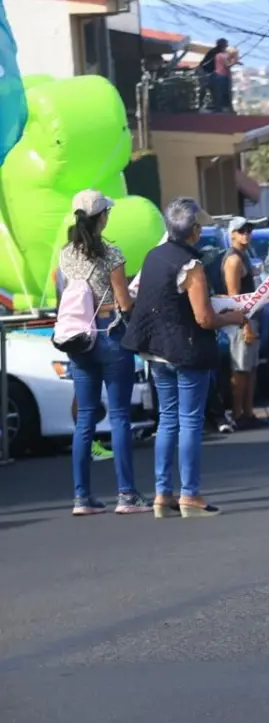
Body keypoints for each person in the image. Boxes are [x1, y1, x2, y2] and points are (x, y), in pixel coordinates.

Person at [123, 197, 248, 517]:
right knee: (190, 420)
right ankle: (190, 494)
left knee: (167, 419)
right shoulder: (191, 265)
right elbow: (204, 318)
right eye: (200, 226)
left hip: (158, 350)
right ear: (193, 230)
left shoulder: (154, 256)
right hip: (187, 348)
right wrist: (233, 317)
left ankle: (163, 494)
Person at [58, 190, 146, 516]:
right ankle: (127, 495)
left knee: (85, 420)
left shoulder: (66, 254)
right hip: (110, 335)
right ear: (103, 217)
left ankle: (82, 497)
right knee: (120, 416)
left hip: (79, 339)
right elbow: (124, 303)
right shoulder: (111, 253)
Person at [220, 217, 266, 429]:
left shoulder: (244, 256)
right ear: (232, 235)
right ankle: (238, 414)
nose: (246, 234)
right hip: (241, 321)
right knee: (240, 370)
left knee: (251, 368)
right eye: (241, 231)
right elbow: (234, 296)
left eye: (248, 230)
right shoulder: (234, 260)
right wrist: (245, 325)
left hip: (251, 318)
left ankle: (248, 412)